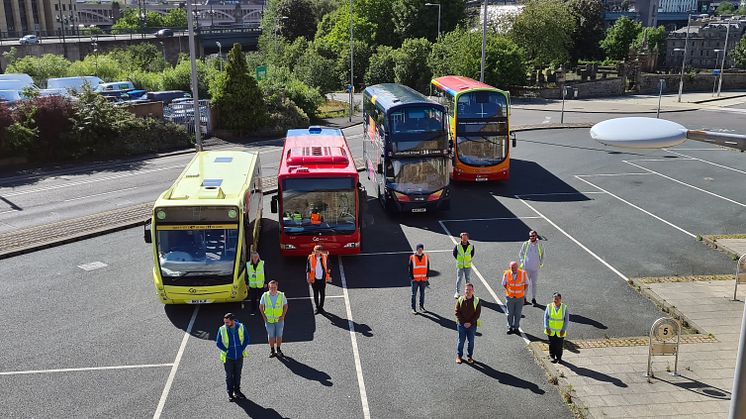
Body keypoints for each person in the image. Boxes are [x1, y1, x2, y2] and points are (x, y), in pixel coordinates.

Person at [216, 313, 249, 402]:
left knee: (238, 375)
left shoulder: (241, 327)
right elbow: (218, 343)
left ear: (232, 321)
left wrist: (241, 349)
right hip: (228, 358)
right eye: (225, 322)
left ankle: (237, 391)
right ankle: (230, 393)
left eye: (227, 322)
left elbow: (246, 339)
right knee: (229, 376)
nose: (225, 324)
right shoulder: (222, 329)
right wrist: (226, 351)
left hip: (239, 356)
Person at [260, 280, 288, 358]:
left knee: (279, 336)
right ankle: (272, 350)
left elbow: (285, 306)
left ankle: (278, 349)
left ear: (277, 287)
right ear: (269, 287)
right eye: (271, 287)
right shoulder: (264, 295)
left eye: (274, 287)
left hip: (279, 320)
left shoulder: (281, 295)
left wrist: (283, 316)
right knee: (271, 336)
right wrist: (264, 317)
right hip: (269, 320)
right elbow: (261, 307)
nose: (273, 289)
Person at [455, 283, 481, 365]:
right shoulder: (460, 299)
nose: (468, 291)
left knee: (471, 342)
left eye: (470, 290)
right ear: (464, 290)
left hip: (472, 326)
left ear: (473, 291)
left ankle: (470, 357)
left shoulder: (477, 301)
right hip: (461, 325)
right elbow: (457, 312)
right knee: (461, 341)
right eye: (467, 289)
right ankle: (459, 356)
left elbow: (477, 314)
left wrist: (470, 323)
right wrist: (463, 323)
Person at [519, 230, 545, 306]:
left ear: (536, 236)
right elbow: (521, 253)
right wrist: (522, 261)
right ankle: (524, 298)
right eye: (530, 236)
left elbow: (543, 254)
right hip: (526, 268)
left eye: (533, 236)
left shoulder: (540, 244)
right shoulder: (526, 244)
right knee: (525, 284)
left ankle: (533, 299)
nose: (532, 237)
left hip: (535, 269)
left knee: (534, 284)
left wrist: (540, 263)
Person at [502, 261, 528, 335]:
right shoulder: (506, 274)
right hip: (510, 297)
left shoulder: (523, 273)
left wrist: (521, 291)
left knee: (518, 314)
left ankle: (516, 328)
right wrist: (510, 291)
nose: (514, 269)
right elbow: (504, 284)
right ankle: (510, 327)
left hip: (520, 298)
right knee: (509, 313)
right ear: (509, 268)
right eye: (512, 268)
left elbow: (526, 283)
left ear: (518, 267)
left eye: (515, 267)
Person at [306, 245, 331, 314]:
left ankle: (321, 307)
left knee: (322, 294)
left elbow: (329, 267)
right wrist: (308, 278)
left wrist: (328, 276)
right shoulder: (310, 258)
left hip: (322, 279)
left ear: (321, 251)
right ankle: (317, 307)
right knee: (315, 294)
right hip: (314, 279)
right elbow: (308, 269)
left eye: (318, 251)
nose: (317, 253)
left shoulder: (325, 257)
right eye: (316, 251)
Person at [545, 292, 569, 363]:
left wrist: (564, 329)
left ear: (560, 299)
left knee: (559, 345)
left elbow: (566, 320)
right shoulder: (549, 306)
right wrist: (546, 327)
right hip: (551, 330)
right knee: (552, 344)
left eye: (557, 299)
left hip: (560, 331)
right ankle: (552, 356)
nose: (555, 300)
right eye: (554, 299)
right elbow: (545, 317)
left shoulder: (564, 307)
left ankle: (559, 358)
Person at [408, 243, 430, 314]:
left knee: (422, 294)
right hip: (415, 280)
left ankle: (421, 307)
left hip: (423, 279)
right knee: (414, 294)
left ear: (422, 249)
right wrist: (412, 278)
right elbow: (410, 268)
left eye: (421, 249)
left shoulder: (426, 257)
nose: (420, 250)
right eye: (419, 249)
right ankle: (413, 308)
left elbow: (427, 267)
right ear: (416, 249)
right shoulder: (412, 257)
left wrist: (427, 276)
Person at [452, 232, 475, 299]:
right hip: (460, 266)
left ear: (468, 238)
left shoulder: (471, 246)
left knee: (468, 279)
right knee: (459, 279)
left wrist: (467, 260)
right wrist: (460, 260)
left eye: (466, 238)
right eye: (463, 238)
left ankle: (469, 292)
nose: (465, 239)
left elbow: (472, 254)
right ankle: (457, 292)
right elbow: (454, 254)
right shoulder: (458, 246)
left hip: (467, 265)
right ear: (461, 238)